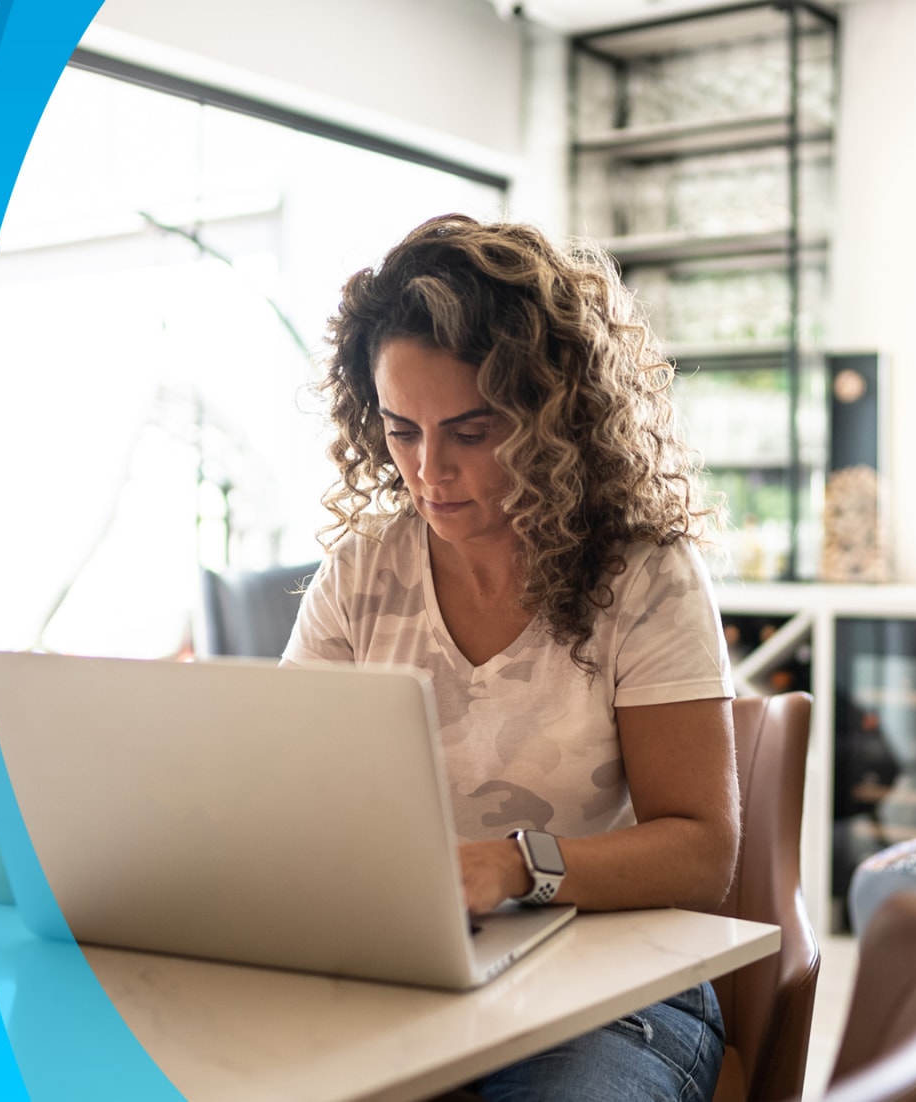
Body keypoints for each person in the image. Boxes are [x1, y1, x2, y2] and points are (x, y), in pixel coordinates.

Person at [281, 214, 739, 1102]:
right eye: (402, 430)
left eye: (472, 431)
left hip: (613, 991)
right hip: (407, 970)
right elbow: (288, 791)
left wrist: (518, 863)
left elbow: (703, 851)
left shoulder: (644, 578)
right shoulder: (362, 572)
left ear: (555, 418)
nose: (429, 472)